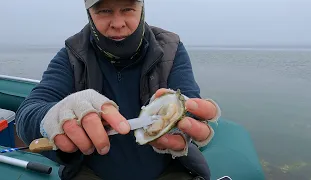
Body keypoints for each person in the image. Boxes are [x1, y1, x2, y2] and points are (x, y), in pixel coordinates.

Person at [15, 0, 221, 179]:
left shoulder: (171, 49)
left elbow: (191, 103)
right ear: (89, 13)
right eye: (104, 11)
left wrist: (187, 126)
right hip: (91, 173)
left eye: (128, 9)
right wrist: (54, 116)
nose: (118, 24)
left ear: (141, 8)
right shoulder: (71, 56)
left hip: (171, 172)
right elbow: (28, 113)